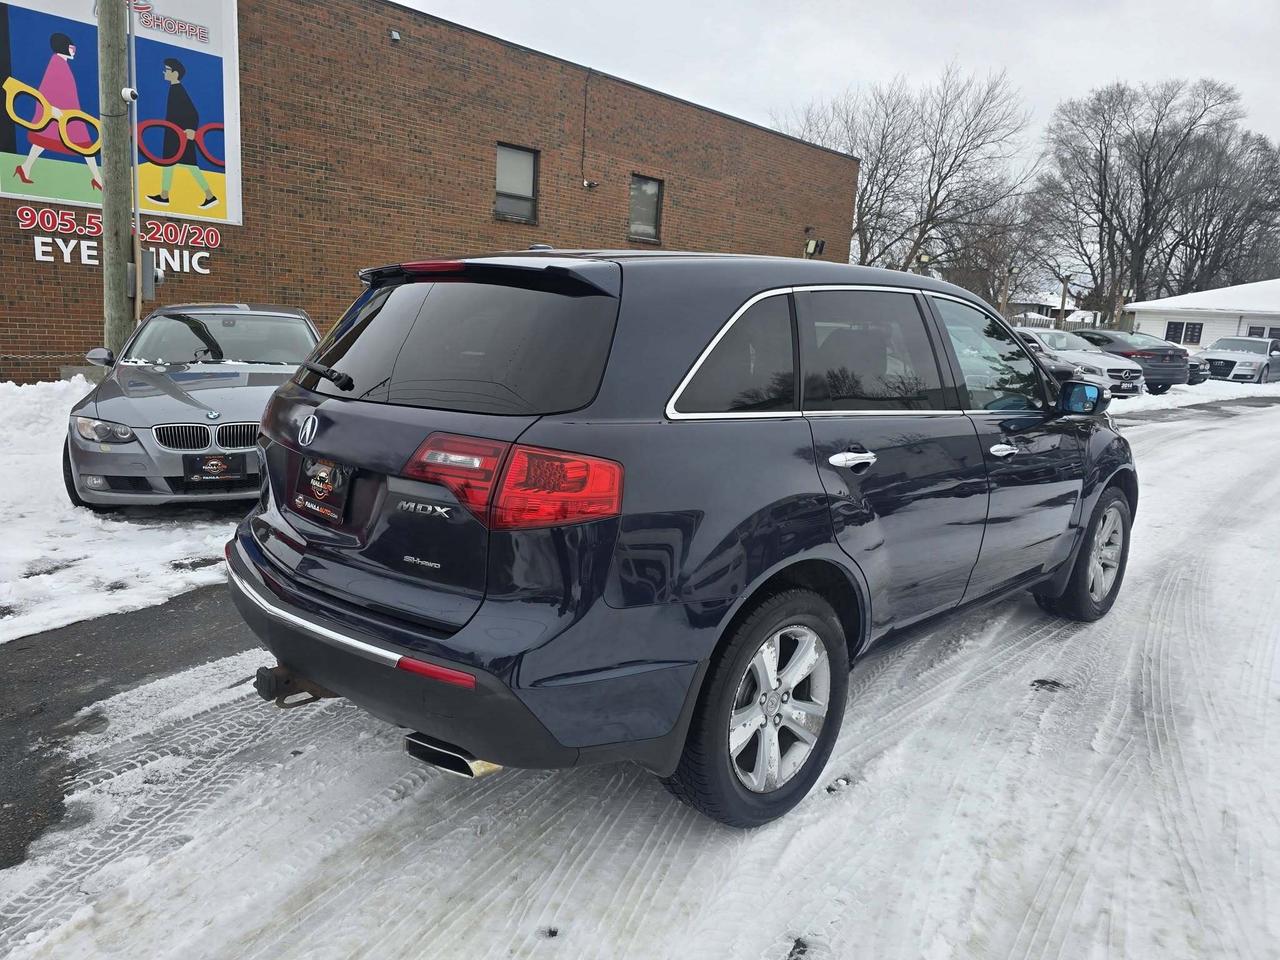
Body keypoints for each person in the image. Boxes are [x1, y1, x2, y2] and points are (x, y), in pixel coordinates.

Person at [14, 32, 102, 190]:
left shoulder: (61, 63)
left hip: (67, 115)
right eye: (71, 48)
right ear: (64, 47)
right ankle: (98, 179)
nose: (74, 51)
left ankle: (25, 168)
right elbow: (45, 89)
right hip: (62, 115)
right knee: (85, 146)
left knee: (43, 142)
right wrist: (51, 109)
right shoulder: (57, 64)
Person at [146, 57, 216, 209]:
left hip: (180, 136)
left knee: (190, 165)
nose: (164, 72)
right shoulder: (174, 89)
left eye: (167, 70)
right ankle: (165, 195)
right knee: (170, 164)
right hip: (174, 134)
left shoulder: (178, 90)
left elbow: (193, 113)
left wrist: (192, 130)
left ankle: (209, 195)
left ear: (175, 74)